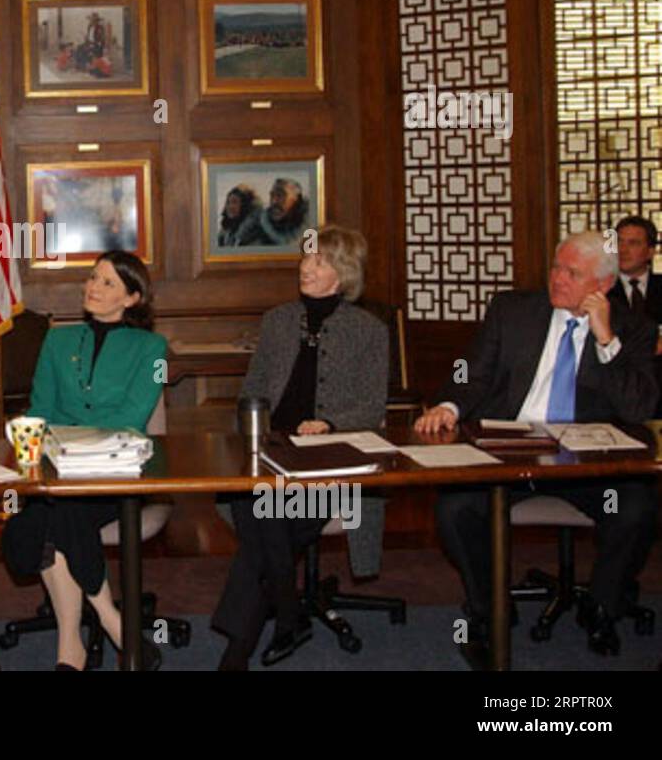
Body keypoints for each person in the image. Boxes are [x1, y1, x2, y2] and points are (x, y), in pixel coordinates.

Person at [416, 231, 659, 666]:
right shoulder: (512, 311)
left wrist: (606, 341)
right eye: (555, 267)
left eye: (572, 273)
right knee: (455, 509)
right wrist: (448, 404)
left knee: (636, 508)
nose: (557, 279)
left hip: (588, 469)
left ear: (602, 286)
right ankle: (489, 610)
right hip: (511, 459)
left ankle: (601, 605)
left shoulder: (634, 329)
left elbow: (639, 407)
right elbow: (469, 369)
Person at [212, 225, 388, 670]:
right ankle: (289, 614)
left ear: (343, 273)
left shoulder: (369, 330)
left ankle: (240, 649)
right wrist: (256, 424)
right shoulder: (277, 321)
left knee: (263, 517)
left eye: (320, 261)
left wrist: (329, 423)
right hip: (271, 452)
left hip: (332, 463)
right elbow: (250, 391)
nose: (306, 268)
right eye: (306, 258)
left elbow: (372, 407)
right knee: (259, 509)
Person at [0, 250, 167, 670]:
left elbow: (133, 418)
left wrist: (76, 442)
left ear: (132, 298)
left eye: (108, 282)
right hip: (62, 469)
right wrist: (57, 446)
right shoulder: (57, 340)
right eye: (93, 278)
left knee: (56, 514)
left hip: (121, 473)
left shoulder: (154, 348)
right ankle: (110, 626)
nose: (93, 287)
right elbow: (42, 409)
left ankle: (77, 641)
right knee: (54, 511)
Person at [608, 215, 662, 417]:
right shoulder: (601, 290)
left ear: (650, 251)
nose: (623, 250)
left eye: (633, 243)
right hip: (615, 389)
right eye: (619, 242)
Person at [236, 178, 309, 247]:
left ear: (297, 199)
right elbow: (239, 238)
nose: (274, 201)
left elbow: (291, 244)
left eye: (280, 195)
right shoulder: (266, 214)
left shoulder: (309, 214)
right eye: (272, 195)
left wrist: (264, 221)